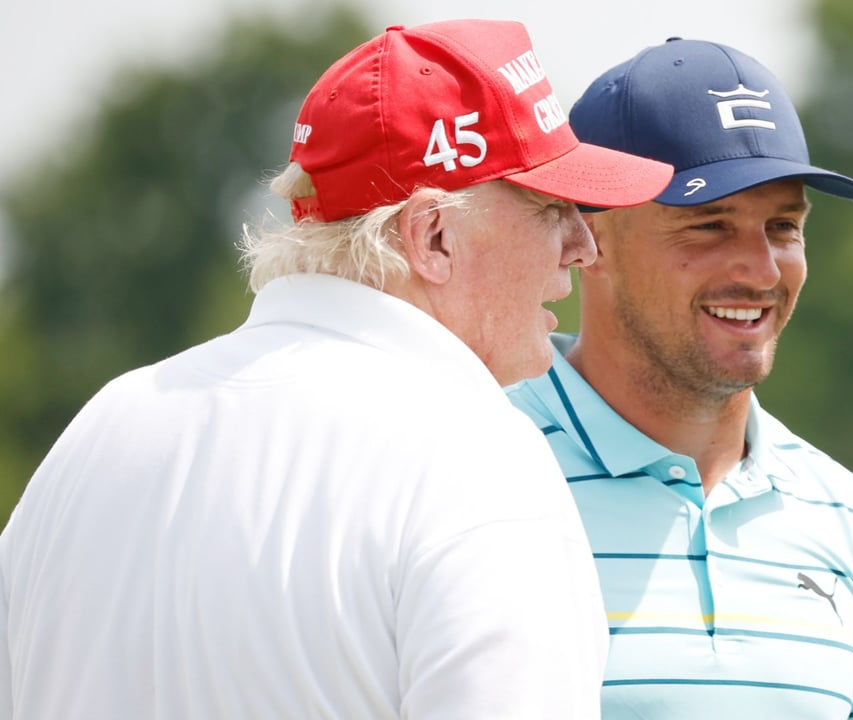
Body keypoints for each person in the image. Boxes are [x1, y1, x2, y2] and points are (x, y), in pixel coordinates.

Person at [0, 20, 672, 720]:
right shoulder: (478, 459)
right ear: (433, 236)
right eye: (552, 209)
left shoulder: (103, 427)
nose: (583, 246)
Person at [505, 38, 853, 719]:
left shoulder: (839, 509)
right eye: (709, 224)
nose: (762, 269)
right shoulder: (484, 469)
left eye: (783, 226)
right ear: (587, 236)